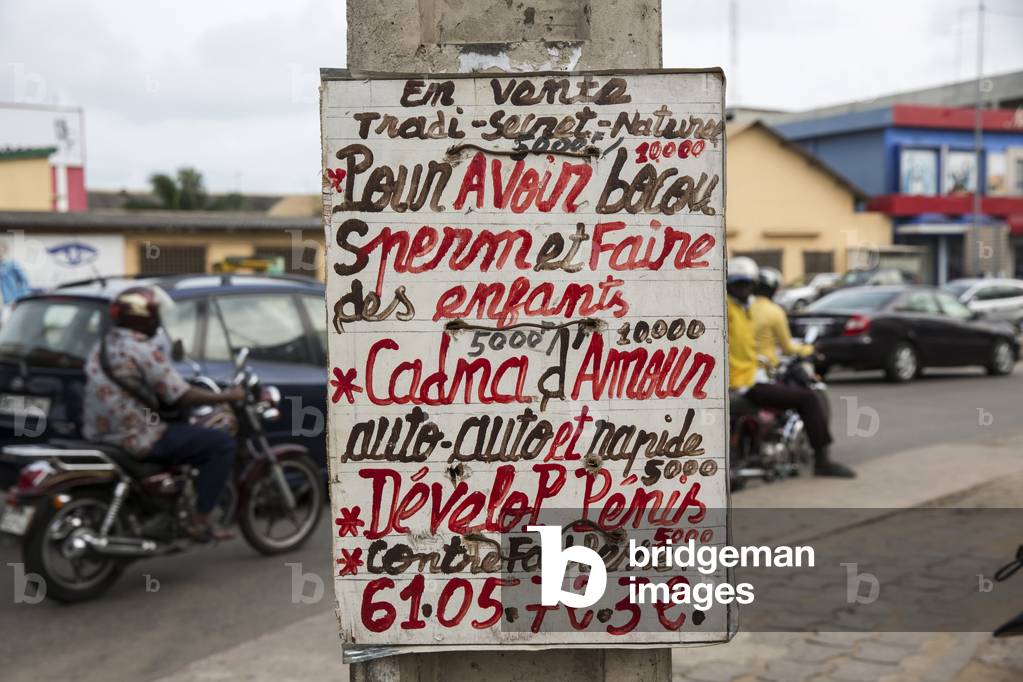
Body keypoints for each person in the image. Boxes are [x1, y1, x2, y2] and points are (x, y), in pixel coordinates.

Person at [82, 286, 246, 539]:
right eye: (155, 313)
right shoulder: (143, 350)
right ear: (144, 316)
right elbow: (181, 395)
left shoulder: (101, 347)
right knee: (221, 443)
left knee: (184, 433)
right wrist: (228, 396)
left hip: (101, 433)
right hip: (138, 436)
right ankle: (201, 518)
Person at [726, 257, 855, 478]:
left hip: (752, 373)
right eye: (738, 285)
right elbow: (786, 346)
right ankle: (822, 460)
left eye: (746, 285)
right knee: (809, 399)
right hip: (745, 382)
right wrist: (807, 351)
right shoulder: (732, 310)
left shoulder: (746, 310)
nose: (743, 289)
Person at [749, 266, 813, 371]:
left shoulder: (742, 309)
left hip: (744, 366)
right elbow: (787, 348)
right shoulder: (775, 311)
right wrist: (808, 349)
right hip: (766, 368)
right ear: (774, 289)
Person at [0, 241, 31, 306]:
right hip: (4, 302)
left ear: (5, 250)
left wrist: (20, 297)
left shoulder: (12, 264)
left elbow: (24, 281)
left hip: (13, 301)